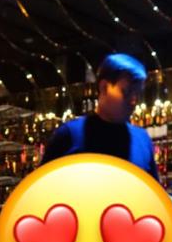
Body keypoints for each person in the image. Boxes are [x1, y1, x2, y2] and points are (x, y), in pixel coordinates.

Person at [39, 53, 161, 183]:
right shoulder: (69, 134)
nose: (133, 101)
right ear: (104, 87)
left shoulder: (143, 140)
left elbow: (153, 192)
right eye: (126, 92)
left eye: (138, 94)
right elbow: (40, 187)